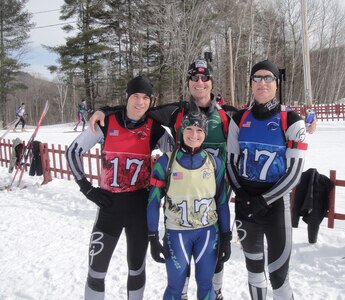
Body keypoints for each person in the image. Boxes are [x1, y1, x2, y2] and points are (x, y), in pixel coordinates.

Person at [89, 58, 237, 300]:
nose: (199, 82)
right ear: (188, 82)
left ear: (211, 82)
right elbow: (137, 108)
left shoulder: (228, 114)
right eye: (194, 78)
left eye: (204, 78)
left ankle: (217, 292)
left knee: (211, 271)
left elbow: (258, 120)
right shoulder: (175, 111)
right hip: (179, 206)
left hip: (212, 201)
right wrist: (104, 111)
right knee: (180, 278)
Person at [66, 76, 172, 300]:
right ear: (127, 97)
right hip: (109, 207)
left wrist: (161, 188)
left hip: (138, 209)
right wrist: (87, 189)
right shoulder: (107, 122)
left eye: (146, 98)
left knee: (137, 269)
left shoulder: (155, 129)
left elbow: (176, 157)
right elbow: (72, 152)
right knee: (96, 272)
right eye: (135, 96)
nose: (140, 102)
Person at [226, 60, 308, 300]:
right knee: (254, 271)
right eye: (257, 78)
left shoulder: (292, 120)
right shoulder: (239, 118)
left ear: (277, 83)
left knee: (279, 277)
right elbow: (231, 162)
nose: (262, 83)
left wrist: (263, 200)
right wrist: (242, 195)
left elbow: (294, 173)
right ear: (251, 83)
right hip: (245, 207)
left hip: (275, 209)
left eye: (268, 78)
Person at [147, 111, 231, 300]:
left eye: (199, 130)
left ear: (205, 133)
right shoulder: (166, 162)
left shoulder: (215, 163)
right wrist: (152, 236)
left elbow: (222, 203)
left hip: (207, 234)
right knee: (175, 288)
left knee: (205, 286)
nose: (194, 135)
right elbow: (153, 201)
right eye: (190, 129)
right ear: (182, 130)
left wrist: (226, 236)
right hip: (176, 234)